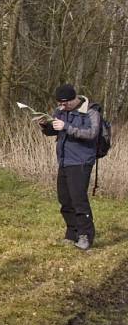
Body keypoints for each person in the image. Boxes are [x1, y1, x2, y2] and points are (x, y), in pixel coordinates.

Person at [39, 83, 101, 250]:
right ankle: (71, 233)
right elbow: (54, 131)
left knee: (79, 200)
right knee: (65, 200)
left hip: (81, 161)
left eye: (65, 103)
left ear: (74, 99)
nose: (62, 106)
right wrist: (45, 126)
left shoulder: (91, 111)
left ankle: (85, 236)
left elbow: (91, 133)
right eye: (60, 103)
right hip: (64, 161)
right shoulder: (60, 111)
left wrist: (66, 127)